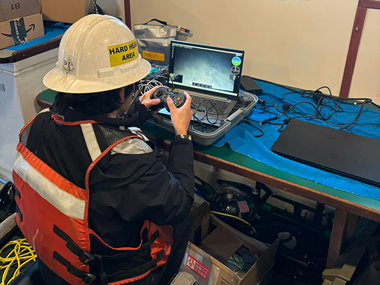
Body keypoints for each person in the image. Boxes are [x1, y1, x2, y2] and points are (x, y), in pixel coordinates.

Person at [12, 15, 194, 285]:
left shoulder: (37, 125)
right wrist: (182, 136)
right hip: (110, 274)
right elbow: (178, 205)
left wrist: (137, 112)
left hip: (56, 260)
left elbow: (89, 130)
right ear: (121, 94)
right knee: (183, 218)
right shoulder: (124, 159)